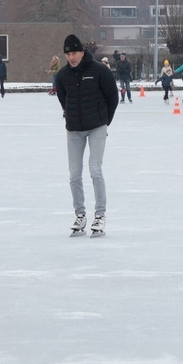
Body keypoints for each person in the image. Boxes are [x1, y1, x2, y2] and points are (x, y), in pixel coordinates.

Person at [57, 34, 119, 238]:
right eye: (68, 54)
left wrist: (104, 120)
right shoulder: (63, 75)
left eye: (74, 53)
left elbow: (112, 97)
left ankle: (100, 215)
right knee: (74, 172)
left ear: (82, 53)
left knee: (95, 169)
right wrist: (71, 117)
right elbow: (63, 99)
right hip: (74, 129)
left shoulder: (99, 71)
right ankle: (80, 214)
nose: (71, 57)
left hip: (97, 127)